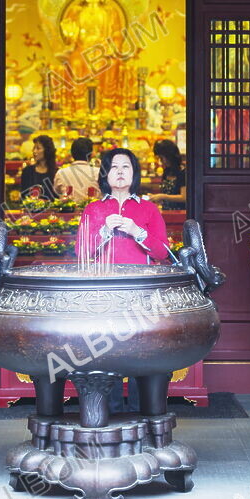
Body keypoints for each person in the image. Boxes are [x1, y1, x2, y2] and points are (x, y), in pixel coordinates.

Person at [75, 148, 170, 414]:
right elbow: (82, 253)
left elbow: (162, 252)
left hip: (140, 290)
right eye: (113, 167)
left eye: (125, 167)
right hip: (105, 291)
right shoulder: (93, 209)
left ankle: (143, 412)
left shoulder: (148, 209)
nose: (119, 172)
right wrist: (105, 230)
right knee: (108, 352)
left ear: (134, 173)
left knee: (142, 350)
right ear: (105, 175)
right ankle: (112, 410)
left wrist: (136, 231)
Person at [19, 135, 57, 202]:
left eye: (38, 148)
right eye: (34, 148)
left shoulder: (56, 172)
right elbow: (23, 196)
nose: (34, 151)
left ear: (47, 150)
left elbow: (57, 197)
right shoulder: (27, 171)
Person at [150, 139, 186, 208]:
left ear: (169, 156)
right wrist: (155, 198)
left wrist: (163, 196)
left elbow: (184, 197)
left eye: (161, 158)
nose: (161, 161)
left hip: (180, 213)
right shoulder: (166, 171)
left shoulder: (183, 172)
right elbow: (167, 195)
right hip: (166, 212)